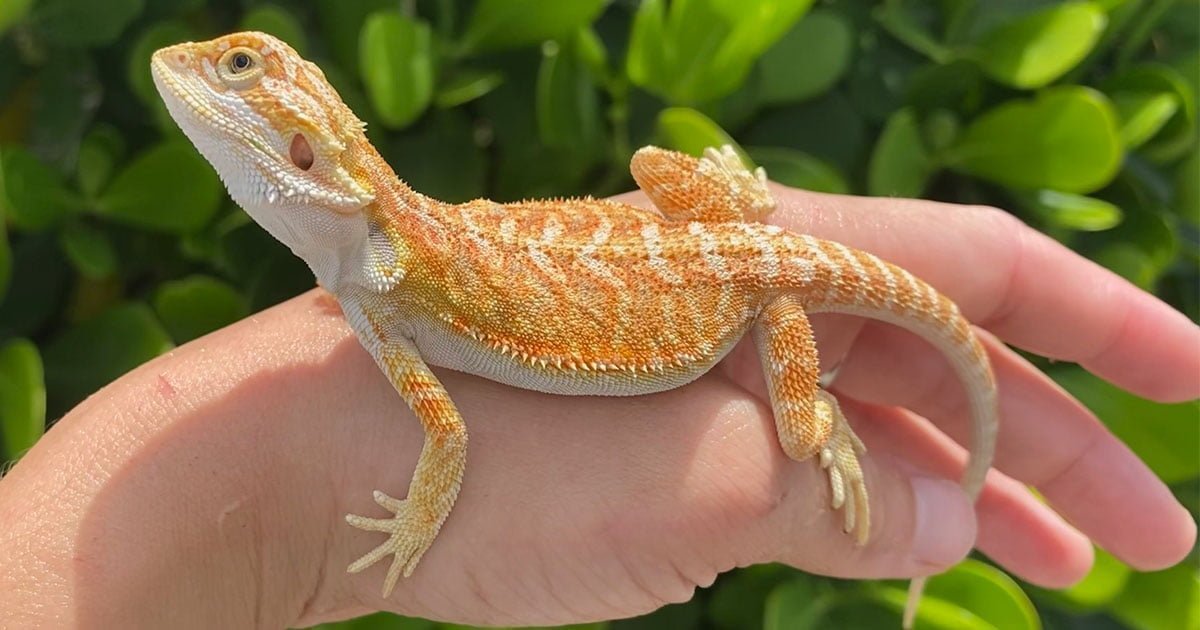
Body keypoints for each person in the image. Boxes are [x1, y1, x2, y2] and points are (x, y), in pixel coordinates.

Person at [0, 185, 1195, 628]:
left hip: (746, 295)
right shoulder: (381, 283)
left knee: (795, 426)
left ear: (316, 164)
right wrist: (296, 512)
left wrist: (401, 538)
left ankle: (812, 416)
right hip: (715, 253)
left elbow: (451, 432)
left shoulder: (401, 288)